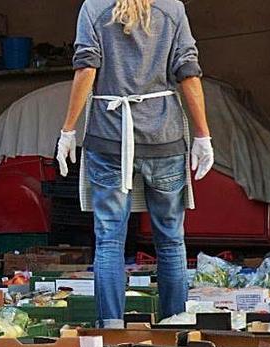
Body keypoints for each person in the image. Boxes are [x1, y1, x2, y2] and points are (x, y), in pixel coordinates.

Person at [55, 0, 214, 327]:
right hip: (164, 140)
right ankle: (176, 328)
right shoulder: (172, 8)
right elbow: (188, 72)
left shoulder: (93, 8)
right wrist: (202, 135)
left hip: (108, 139)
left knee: (110, 239)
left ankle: (111, 330)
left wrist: (68, 130)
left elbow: (86, 69)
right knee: (170, 239)